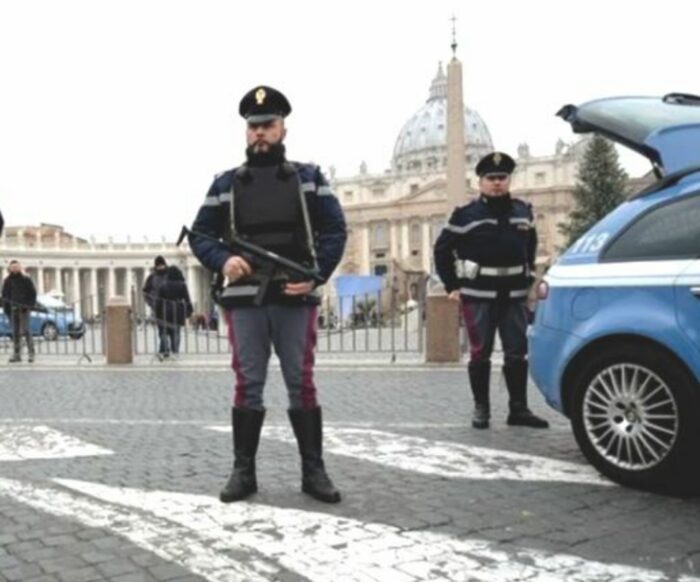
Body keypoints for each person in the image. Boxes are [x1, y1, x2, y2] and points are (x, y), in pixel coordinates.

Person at [189, 85, 347, 503]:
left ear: (283, 129)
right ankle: (244, 472)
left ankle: (313, 472)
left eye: (268, 125)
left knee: (302, 383)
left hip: (295, 295)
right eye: (253, 127)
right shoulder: (224, 183)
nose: (260, 133)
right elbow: (201, 234)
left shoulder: (310, 179)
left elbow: (335, 230)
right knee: (248, 383)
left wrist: (317, 275)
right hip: (244, 299)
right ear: (246, 131)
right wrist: (222, 261)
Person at [433, 151, 549, 430]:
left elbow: (530, 246)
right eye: (490, 178)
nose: (496, 183)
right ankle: (481, 408)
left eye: (501, 178)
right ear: (481, 182)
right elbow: (442, 250)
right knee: (479, 354)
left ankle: (518, 409)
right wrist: (452, 286)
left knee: (516, 353)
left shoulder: (523, 211)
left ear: (509, 180)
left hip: (513, 296)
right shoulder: (465, 215)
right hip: (478, 296)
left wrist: (530, 275)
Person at [1, 260, 37, 363]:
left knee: (26, 331)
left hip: (24, 309)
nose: (14, 269)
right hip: (12, 310)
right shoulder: (7, 281)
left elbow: (32, 293)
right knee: (15, 333)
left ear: (20, 267)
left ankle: (31, 354)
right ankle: (17, 355)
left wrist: (29, 305)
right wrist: (6, 309)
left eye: (16, 267)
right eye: (13, 267)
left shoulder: (26, 279)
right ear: (10, 268)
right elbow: (4, 296)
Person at [154, 265, 193, 359]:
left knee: (163, 332)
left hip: (165, 311)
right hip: (178, 311)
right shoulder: (182, 285)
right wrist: (189, 310)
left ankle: (166, 349)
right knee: (176, 332)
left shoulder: (163, 285)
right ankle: (175, 350)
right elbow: (187, 299)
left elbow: (158, 301)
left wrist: (157, 313)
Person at [143, 256, 169, 357]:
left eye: (162, 265)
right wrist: (151, 303)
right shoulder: (152, 277)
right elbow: (145, 292)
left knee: (167, 330)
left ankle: (165, 350)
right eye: (159, 266)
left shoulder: (168, 275)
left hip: (169, 306)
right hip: (159, 307)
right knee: (163, 329)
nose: (161, 267)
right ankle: (166, 350)